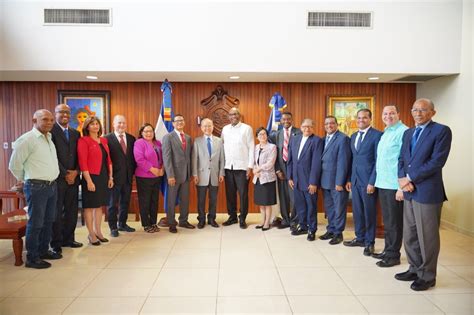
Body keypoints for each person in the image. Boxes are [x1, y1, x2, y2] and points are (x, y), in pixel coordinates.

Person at [395, 98, 452, 291]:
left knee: (427, 236)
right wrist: (402, 179)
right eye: (415, 110)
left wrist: (410, 178)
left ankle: (427, 275)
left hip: (427, 191)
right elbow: (401, 158)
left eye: (423, 110)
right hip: (409, 190)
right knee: (410, 233)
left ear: (432, 113)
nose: (418, 113)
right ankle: (414, 268)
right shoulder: (408, 133)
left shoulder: (441, 131)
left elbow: (437, 161)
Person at [9, 109, 61, 269]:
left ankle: (43, 251)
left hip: (52, 185)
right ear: (34, 120)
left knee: (48, 220)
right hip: (36, 186)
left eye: (51, 120)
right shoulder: (27, 140)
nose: (49, 123)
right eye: (45, 119)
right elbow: (14, 165)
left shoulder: (48, 137)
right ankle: (32, 258)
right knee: (36, 222)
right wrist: (25, 180)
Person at [373, 105, 408, 267]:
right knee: (388, 221)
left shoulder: (403, 132)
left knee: (394, 222)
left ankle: (393, 255)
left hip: (395, 186)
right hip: (383, 183)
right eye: (385, 113)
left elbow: (406, 160)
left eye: (392, 113)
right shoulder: (386, 132)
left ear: (398, 114)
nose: (388, 116)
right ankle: (388, 250)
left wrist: (402, 187)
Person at [344, 109, 382, 256]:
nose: (361, 120)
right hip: (355, 181)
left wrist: (372, 182)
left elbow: (378, 161)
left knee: (369, 213)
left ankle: (369, 242)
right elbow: (352, 160)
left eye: (364, 118)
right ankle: (359, 238)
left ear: (370, 119)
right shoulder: (353, 136)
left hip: (368, 182)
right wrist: (349, 179)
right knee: (357, 212)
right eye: (359, 118)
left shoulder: (377, 135)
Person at [50, 104, 82, 254]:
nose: (65, 115)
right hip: (58, 178)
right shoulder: (50, 131)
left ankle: (69, 239)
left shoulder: (75, 133)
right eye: (61, 112)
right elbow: (51, 156)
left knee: (71, 210)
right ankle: (56, 243)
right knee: (56, 212)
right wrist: (65, 173)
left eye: (68, 112)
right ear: (55, 114)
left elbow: (79, 155)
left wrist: (76, 172)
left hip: (74, 178)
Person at [77, 116, 113, 246]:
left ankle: (98, 231)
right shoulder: (83, 140)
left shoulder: (103, 140)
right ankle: (91, 234)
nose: (95, 126)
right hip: (91, 176)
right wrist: (89, 181)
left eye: (97, 124)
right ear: (87, 127)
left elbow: (108, 160)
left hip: (103, 176)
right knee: (89, 206)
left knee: (99, 206)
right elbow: (83, 162)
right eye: (92, 124)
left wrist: (110, 177)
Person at [287, 118, 323, 241]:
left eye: (309, 126)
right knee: (300, 205)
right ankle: (302, 226)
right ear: (301, 127)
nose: (307, 129)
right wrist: (289, 177)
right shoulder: (295, 139)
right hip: (296, 180)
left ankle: (312, 230)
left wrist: (313, 182)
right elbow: (290, 160)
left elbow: (316, 163)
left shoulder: (317, 141)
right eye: (304, 126)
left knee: (311, 207)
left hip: (309, 182)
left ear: (313, 128)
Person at [319, 116, 351, 245]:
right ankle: (331, 230)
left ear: (337, 125)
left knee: (339, 209)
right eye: (326, 123)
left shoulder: (343, 139)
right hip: (324, 180)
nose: (329, 125)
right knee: (330, 208)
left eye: (332, 123)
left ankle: (338, 233)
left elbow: (343, 162)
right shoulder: (323, 139)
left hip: (337, 182)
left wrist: (340, 182)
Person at [221, 107, 254, 229]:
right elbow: (222, 146)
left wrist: (250, 166)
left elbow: (251, 147)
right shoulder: (225, 129)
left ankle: (242, 218)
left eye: (235, 114)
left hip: (242, 167)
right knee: (230, 194)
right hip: (228, 167)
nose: (233, 116)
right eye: (231, 114)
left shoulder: (247, 128)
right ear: (228, 117)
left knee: (243, 194)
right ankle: (232, 216)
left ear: (239, 115)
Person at [105, 115, 137, 237]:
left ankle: (122, 224)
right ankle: (113, 227)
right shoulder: (107, 139)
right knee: (112, 204)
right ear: (113, 124)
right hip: (113, 178)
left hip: (128, 177)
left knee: (125, 202)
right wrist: (109, 176)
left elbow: (132, 159)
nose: (121, 125)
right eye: (119, 123)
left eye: (123, 123)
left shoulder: (131, 138)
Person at [162, 114, 194, 233]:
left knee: (185, 199)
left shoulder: (188, 137)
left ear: (184, 122)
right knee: (171, 200)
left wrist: (190, 173)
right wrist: (170, 175)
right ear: (173, 124)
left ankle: (183, 221)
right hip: (173, 175)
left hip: (186, 175)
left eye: (182, 120)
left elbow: (189, 157)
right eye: (177, 121)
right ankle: (171, 223)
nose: (180, 122)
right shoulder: (168, 137)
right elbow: (167, 157)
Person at [269, 112, 301, 230]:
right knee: (283, 197)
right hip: (281, 171)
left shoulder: (299, 132)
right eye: (284, 119)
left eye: (288, 119)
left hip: (295, 171)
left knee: (294, 197)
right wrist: (277, 170)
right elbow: (275, 154)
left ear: (292, 120)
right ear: (281, 121)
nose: (286, 121)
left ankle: (294, 221)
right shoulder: (277, 134)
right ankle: (286, 219)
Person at [192, 118, 225, 229]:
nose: (207, 128)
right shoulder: (197, 141)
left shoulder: (219, 141)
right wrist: (195, 174)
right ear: (201, 128)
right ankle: (201, 219)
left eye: (209, 125)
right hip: (201, 175)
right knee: (201, 200)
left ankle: (212, 219)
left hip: (215, 175)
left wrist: (221, 173)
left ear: (213, 127)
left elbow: (222, 159)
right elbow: (194, 159)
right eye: (205, 126)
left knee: (213, 199)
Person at [134, 123, 164, 233]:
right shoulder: (139, 143)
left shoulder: (158, 143)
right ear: (141, 133)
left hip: (157, 177)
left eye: (150, 131)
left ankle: (153, 223)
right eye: (146, 131)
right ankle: (146, 224)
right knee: (145, 201)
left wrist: (162, 169)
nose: (148, 133)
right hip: (144, 177)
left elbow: (163, 158)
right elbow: (139, 159)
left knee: (154, 201)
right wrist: (153, 169)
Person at [253, 127, 277, 231]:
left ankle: (267, 223)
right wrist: (254, 170)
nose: (262, 136)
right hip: (258, 178)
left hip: (267, 178)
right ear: (257, 137)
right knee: (261, 202)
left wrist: (258, 169)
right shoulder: (256, 147)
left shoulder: (272, 147)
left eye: (264, 134)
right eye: (260, 134)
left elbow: (270, 163)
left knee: (267, 202)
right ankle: (262, 221)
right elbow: (254, 162)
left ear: (267, 135)